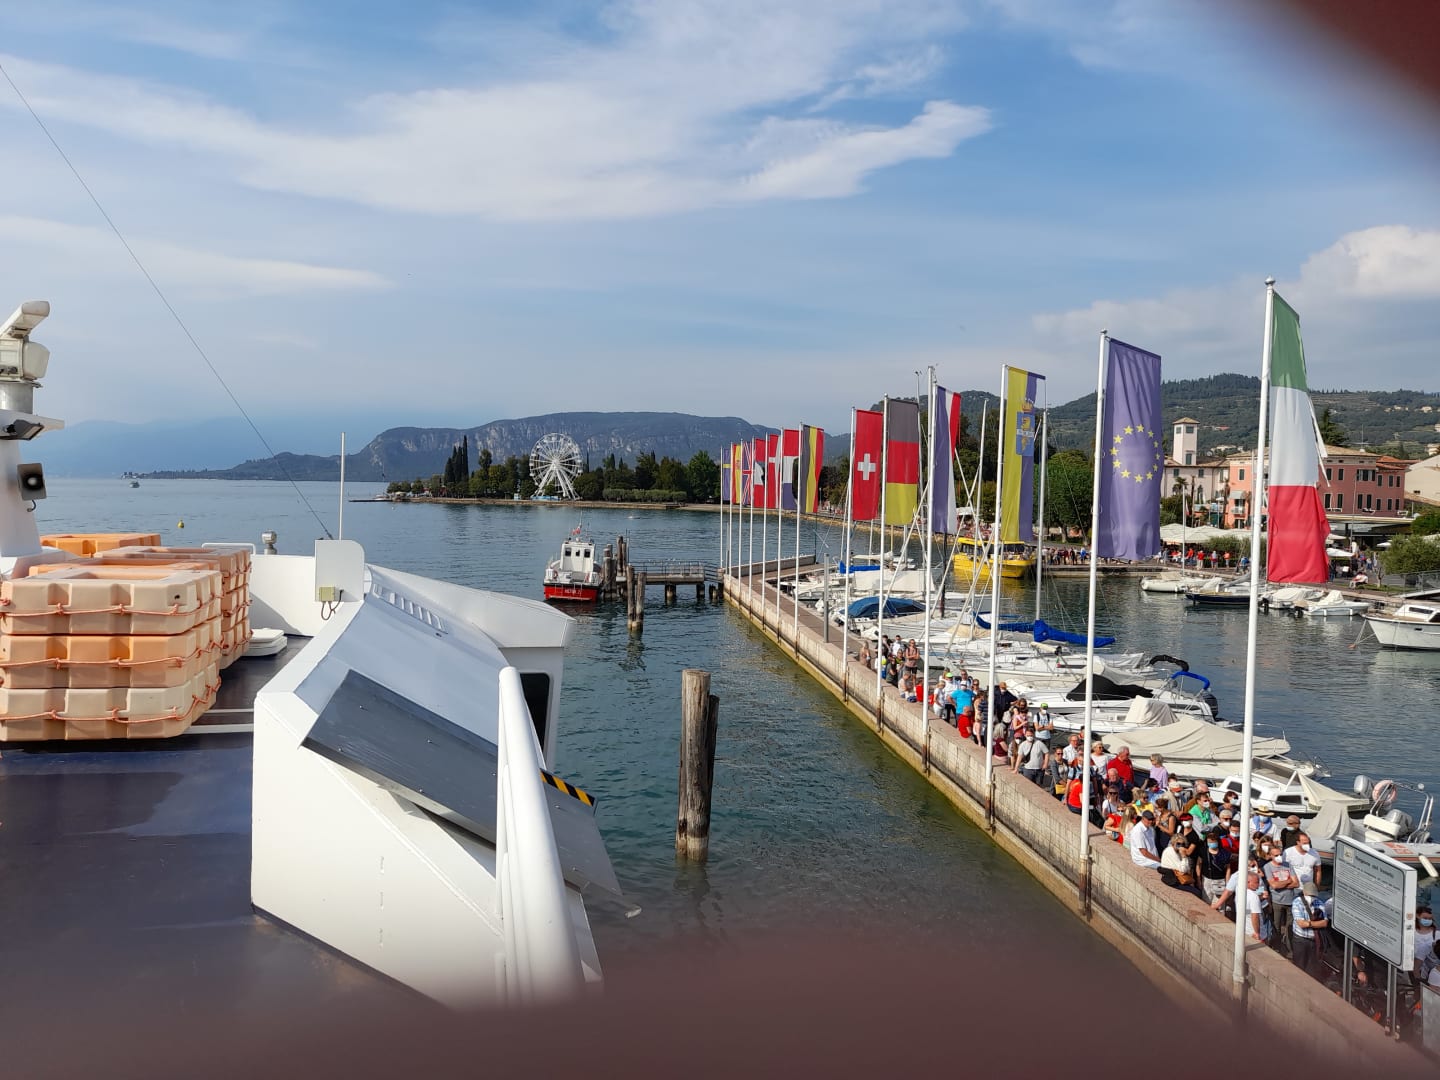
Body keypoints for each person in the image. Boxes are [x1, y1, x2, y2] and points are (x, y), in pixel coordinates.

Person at [1291, 881, 1327, 977]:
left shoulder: (1319, 903)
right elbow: (1301, 924)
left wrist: (1309, 923)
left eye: (1313, 895)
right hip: (1300, 940)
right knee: (1299, 967)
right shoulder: (1297, 902)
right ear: (1304, 893)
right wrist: (1316, 924)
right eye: (1310, 895)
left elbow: (1325, 923)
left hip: (1314, 941)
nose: (1311, 897)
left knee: (1312, 969)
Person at [1197, 833, 1232, 905]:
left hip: (1220, 881)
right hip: (1207, 880)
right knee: (1206, 902)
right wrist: (1199, 880)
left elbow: (1228, 869)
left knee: (1219, 904)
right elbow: (1198, 865)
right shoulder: (1203, 851)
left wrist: (1228, 883)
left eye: (1213, 841)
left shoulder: (1224, 853)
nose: (1211, 843)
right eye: (1209, 842)